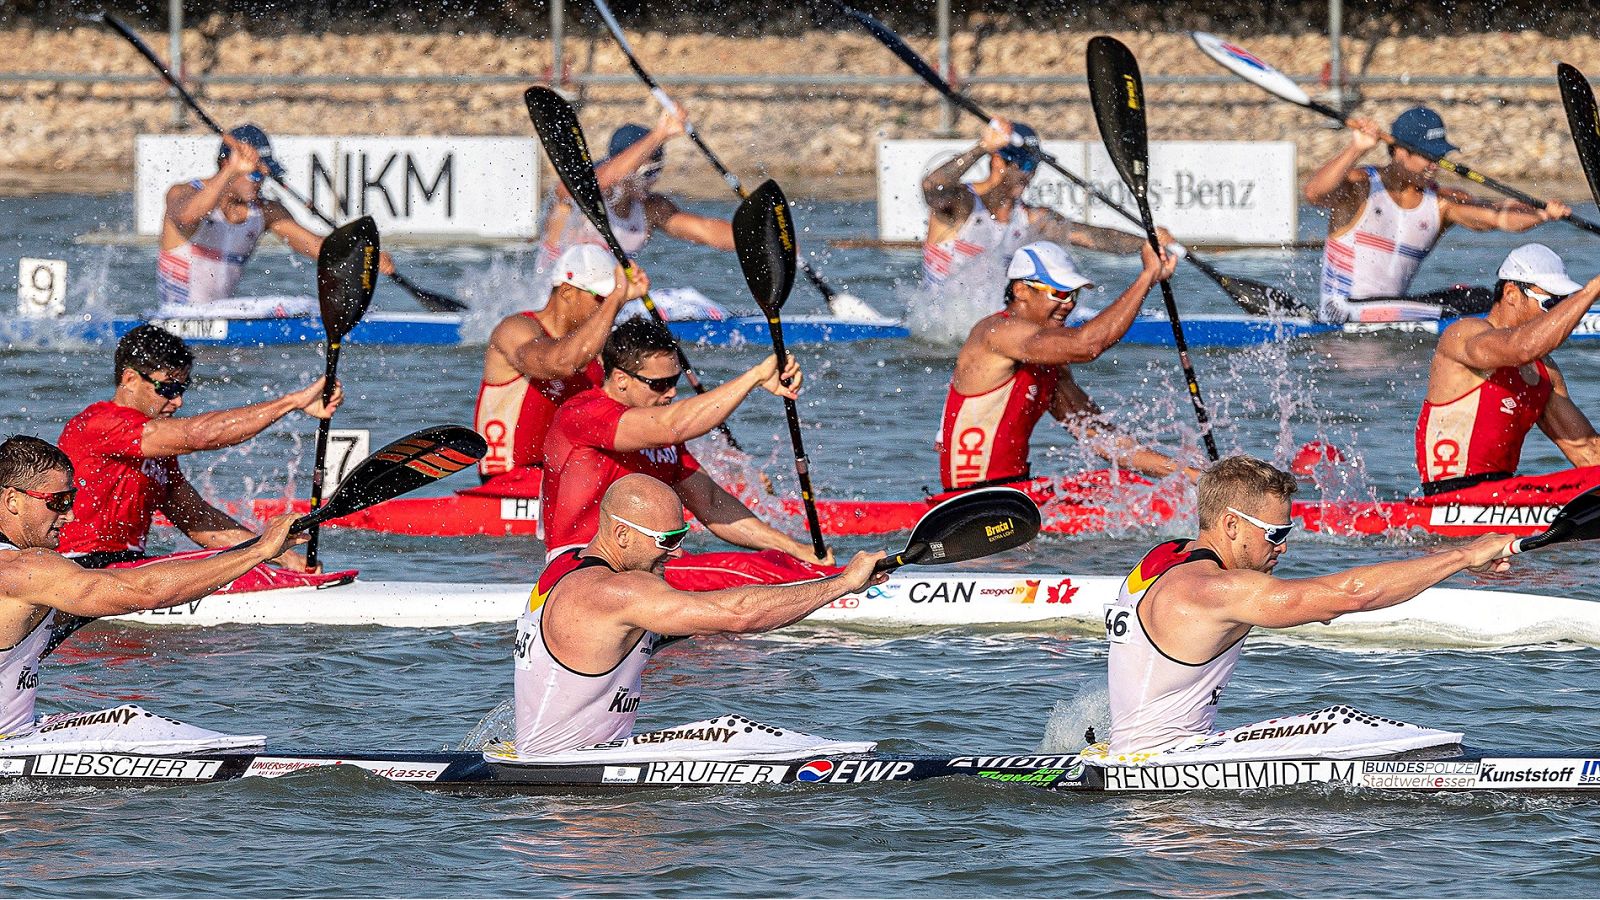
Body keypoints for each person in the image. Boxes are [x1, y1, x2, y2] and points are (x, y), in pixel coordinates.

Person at [1103, 455, 1510, 758]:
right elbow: (1352, 595)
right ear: (1230, 525)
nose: (1282, 545)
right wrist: (1464, 556)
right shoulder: (1212, 591)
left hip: (1134, 755)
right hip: (1162, 769)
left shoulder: (1166, 555)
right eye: (1274, 532)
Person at [514, 474, 885, 755]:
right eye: (667, 540)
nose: (676, 553)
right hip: (566, 780)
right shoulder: (616, 591)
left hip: (551, 761)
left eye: (680, 537)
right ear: (623, 535)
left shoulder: (566, 564)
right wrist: (842, 584)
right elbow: (740, 615)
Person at [0, 434, 303, 736]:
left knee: (127, 719)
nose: (70, 514)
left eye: (72, 499)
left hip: (17, 731)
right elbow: (144, 591)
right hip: (10, 740)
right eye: (59, 501)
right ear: (13, 500)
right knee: (135, 724)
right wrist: (258, 551)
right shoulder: (24, 569)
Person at [540, 316, 830, 567]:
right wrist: (754, 377)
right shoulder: (583, 413)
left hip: (650, 566)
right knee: (749, 576)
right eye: (658, 384)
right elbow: (674, 426)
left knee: (769, 565)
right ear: (621, 379)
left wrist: (796, 551)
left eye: (674, 380)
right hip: (584, 566)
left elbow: (714, 504)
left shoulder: (660, 439)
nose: (670, 393)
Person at [56, 325, 341, 569]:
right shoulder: (100, 423)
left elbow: (198, 520)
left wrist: (285, 558)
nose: (177, 401)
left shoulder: (157, 451)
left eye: (182, 389)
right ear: (130, 379)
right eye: (168, 388)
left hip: (126, 568)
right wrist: (292, 403)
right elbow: (199, 435)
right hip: (79, 566)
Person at [936, 240, 1189, 492]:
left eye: (1073, 295)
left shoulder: (1048, 363)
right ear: (1021, 290)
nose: (1068, 304)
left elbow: (1102, 438)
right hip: (969, 502)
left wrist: (1189, 474)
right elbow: (1087, 345)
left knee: (1123, 489)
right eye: (1058, 293)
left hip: (1016, 493)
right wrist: (1147, 277)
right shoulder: (996, 332)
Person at [1305, 106, 1570, 324]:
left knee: (1475, 296)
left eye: (1440, 156)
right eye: (1428, 156)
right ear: (1399, 152)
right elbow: (1315, 193)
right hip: (1340, 311)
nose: (1435, 165)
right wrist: (1357, 148)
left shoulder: (1441, 203)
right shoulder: (1361, 186)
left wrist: (1542, 214)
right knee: (1471, 306)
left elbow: (1497, 216)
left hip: (1392, 313)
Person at [1416, 244, 1600, 493]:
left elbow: (1588, 452)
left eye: (1563, 303)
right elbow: (1522, 348)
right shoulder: (1463, 335)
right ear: (1512, 293)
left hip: (1506, 495)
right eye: (1552, 302)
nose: (1559, 313)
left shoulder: (1545, 371)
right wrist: (1592, 290)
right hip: (1451, 498)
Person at [159, 124, 397, 308]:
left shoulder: (265, 211)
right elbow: (187, 217)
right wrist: (233, 169)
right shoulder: (183, 193)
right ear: (225, 164)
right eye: (254, 175)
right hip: (174, 321)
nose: (260, 182)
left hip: (220, 325)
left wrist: (364, 257)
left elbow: (318, 248)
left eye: (264, 175)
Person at [476, 247, 651, 482]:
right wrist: (617, 296)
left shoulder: (595, 350)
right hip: (508, 484)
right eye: (601, 298)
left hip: (570, 482)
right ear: (567, 291)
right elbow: (561, 363)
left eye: (610, 300)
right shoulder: (515, 330)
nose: (606, 306)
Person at [920, 118, 1157, 290]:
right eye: (1024, 166)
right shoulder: (960, 204)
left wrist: (1149, 243)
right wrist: (980, 148)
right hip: (938, 329)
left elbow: (1093, 237)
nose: (1030, 174)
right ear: (998, 162)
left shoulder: (1031, 219)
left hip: (992, 328)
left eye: (1034, 166)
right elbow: (932, 186)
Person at [538, 105, 735, 273]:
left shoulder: (651, 210)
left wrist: (759, 237)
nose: (653, 181)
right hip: (554, 300)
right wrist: (660, 133)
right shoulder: (574, 196)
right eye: (647, 172)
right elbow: (610, 176)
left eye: (658, 171)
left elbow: (707, 231)